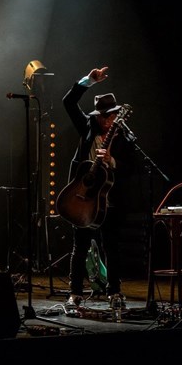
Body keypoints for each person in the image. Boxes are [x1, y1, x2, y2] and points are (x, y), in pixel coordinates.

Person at [61, 66, 135, 311]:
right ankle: (75, 293)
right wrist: (88, 81)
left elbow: (134, 168)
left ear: (117, 115)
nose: (106, 120)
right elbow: (68, 102)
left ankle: (114, 292)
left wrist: (112, 161)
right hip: (83, 198)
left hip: (108, 200)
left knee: (111, 247)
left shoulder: (124, 136)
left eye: (110, 115)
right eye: (102, 116)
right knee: (80, 247)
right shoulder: (87, 127)